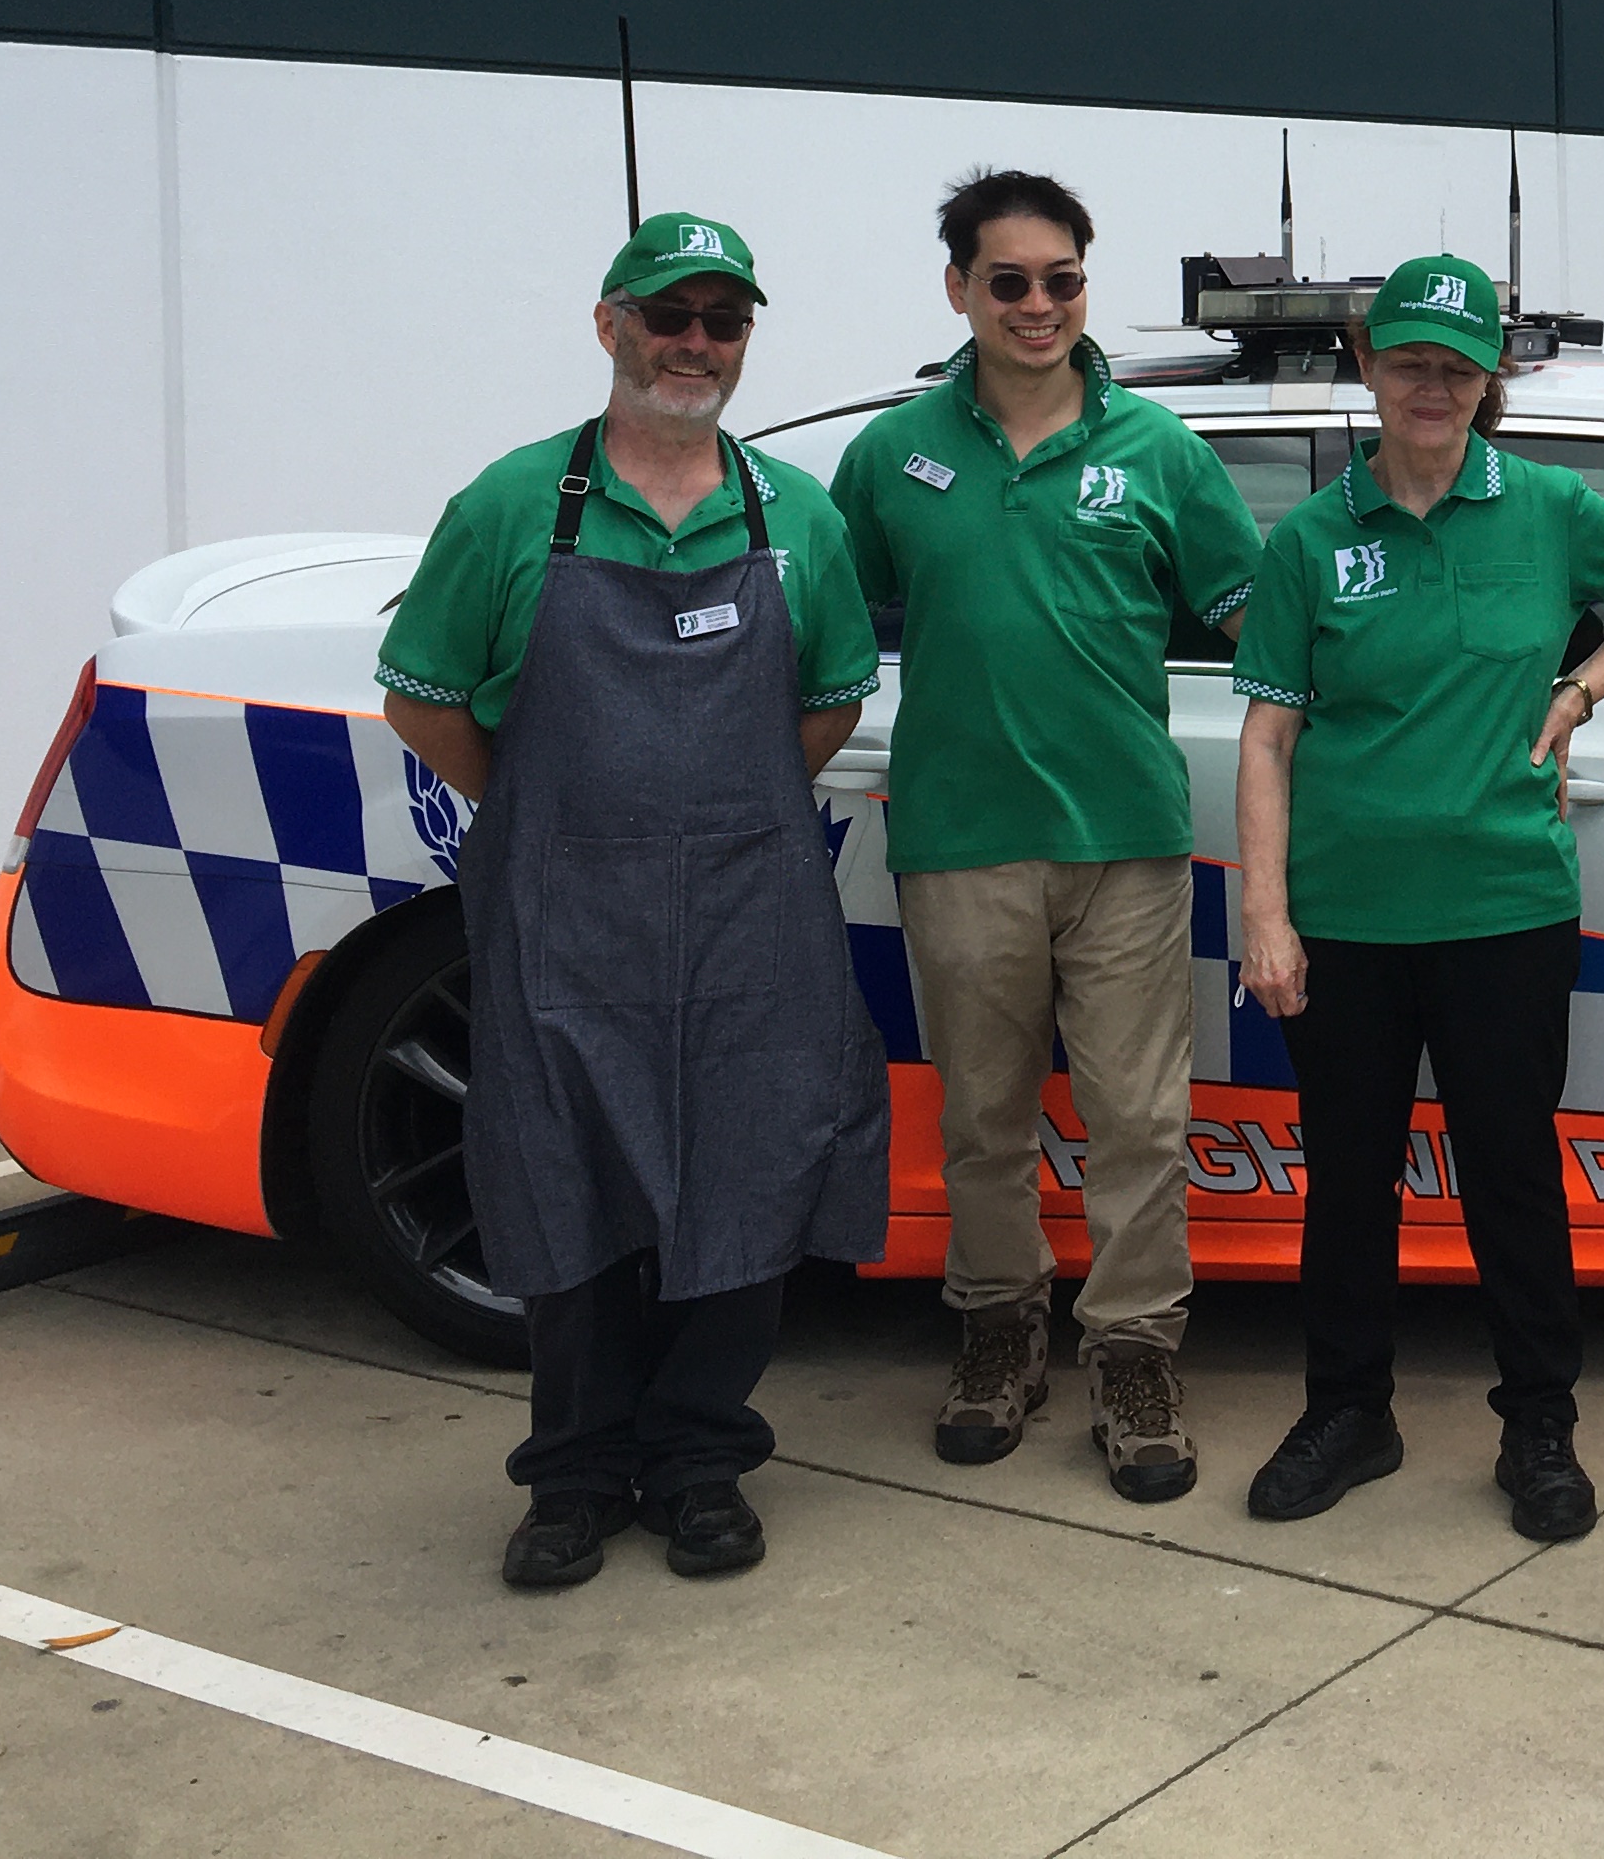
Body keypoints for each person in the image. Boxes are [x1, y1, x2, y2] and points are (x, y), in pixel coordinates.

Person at [376, 213, 889, 1592]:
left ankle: (702, 1460)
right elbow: (421, 699)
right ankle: (576, 1478)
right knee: (565, 1179)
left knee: (751, 1161)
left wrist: (717, 817)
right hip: (565, 910)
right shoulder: (512, 504)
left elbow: (831, 698)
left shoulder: (798, 514)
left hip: (751, 910)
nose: (696, 345)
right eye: (672, 317)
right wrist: (558, 816)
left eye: (724, 323)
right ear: (611, 325)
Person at [1229, 258, 1604, 1542]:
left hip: (1503, 908)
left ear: (1487, 378)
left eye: (1456, 364)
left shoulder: (1548, 509)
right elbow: (1267, 739)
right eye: (1407, 361)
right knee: (1349, 1182)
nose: (1431, 386)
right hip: (1345, 918)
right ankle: (1349, 1412)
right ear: (1367, 366)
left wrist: (1580, 689)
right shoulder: (1311, 541)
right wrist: (1264, 919)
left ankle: (1539, 1426)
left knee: (1509, 1174)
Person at [834, 169, 1265, 1498]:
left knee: (1140, 1120)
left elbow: (1260, 617)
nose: (1038, 305)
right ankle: (998, 1335)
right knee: (983, 1120)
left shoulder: (1162, 452)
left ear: (1087, 285)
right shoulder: (892, 454)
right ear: (960, 289)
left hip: (1128, 842)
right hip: (959, 840)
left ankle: (1134, 1352)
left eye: (1062, 280)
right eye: (1009, 281)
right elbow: (821, 633)